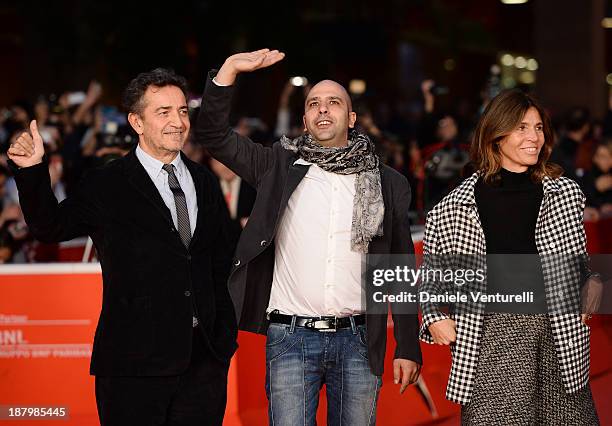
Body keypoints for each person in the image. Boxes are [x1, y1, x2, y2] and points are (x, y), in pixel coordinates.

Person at [195, 49, 422, 425]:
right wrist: (229, 69)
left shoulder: (387, 183)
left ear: (351, 118)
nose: (323, 109)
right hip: (291, 339)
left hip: (360, 340)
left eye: (333, 103)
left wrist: (408, 346)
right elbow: (212, 134)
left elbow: (398, 269)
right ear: (304, 119)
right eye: (314, 104)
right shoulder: (277, 167)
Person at [8, 68, 237, 426]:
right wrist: (31, 170)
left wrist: (222, 339)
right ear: (137, 121)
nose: (177, 121)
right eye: (163, 112)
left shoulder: (204, 181)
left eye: (181, 111)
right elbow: (50, 227)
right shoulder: (106, 183)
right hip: (133, 365)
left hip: (203, 365)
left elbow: (221, 260)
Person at [419, 89, 600, 424]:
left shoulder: (566, 193)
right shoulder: (452, 207)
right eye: (521, 128)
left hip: (559, 333)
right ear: (496, 135)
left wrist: (593, 283)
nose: (533, 137)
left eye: (538, 127)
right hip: (491, 335)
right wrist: (433, 315)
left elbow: (580, 265)